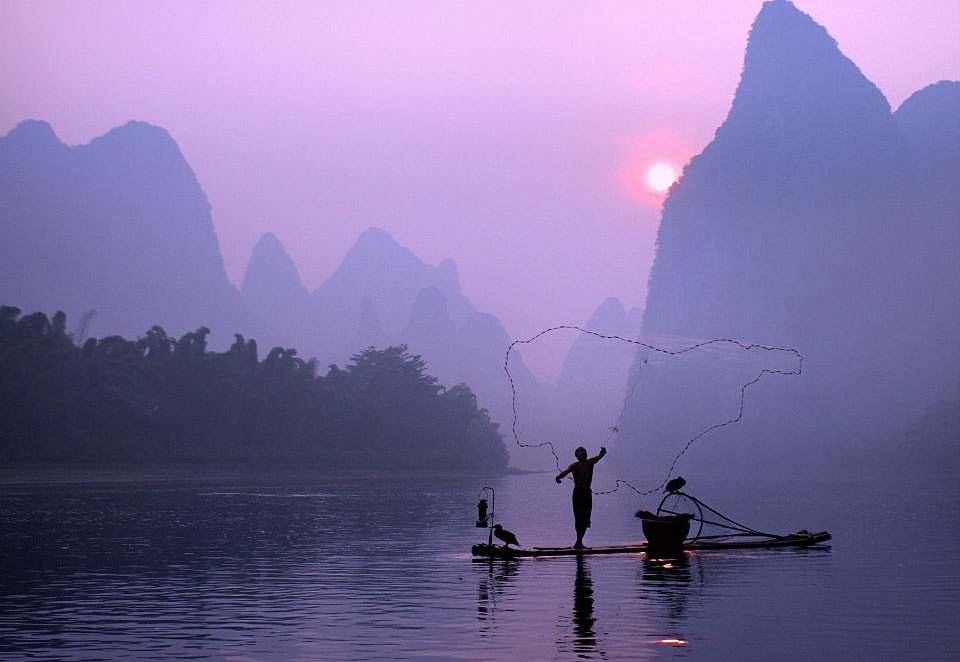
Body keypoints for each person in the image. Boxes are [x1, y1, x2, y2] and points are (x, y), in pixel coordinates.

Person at [555, 446, 607, 549]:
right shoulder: (575, 466)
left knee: (586, 518)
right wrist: (558, 477)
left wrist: (603, 452)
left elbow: (599, 457)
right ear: (577, 456)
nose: (583, 453)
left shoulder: (590, 462)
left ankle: (579, 542)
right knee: (579, 517)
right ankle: (579, 543)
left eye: (585, 451)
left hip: (587, 493)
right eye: (581, 452)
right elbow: (566, 472)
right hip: (578, 494)